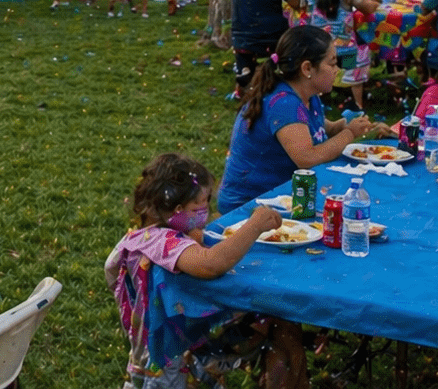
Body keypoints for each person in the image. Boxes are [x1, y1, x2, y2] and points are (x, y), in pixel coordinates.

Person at [105, 154, 302, 389]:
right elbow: (211, 264)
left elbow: (111, 269)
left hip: (160, 339)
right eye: (201, 204)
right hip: (163, 352)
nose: (207, 212)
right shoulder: (163, 243)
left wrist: (190, 235)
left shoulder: (145, 236)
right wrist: (255, 226)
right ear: (176, 209)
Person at [216, 26, 383, 215]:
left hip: (281, 198)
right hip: (248, 206)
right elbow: (307, 158)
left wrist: (355, 125)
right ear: (307, 68)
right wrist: (350, 133)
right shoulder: (284, 104)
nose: (337, 70)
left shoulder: (307, 96)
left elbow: (320, 128)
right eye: (332, 63)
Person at [300, 0, 379, 111]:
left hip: (317, 49)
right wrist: (376, 2)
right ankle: (358, 104)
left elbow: (305, 15)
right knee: (362, 48)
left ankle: (313, 101)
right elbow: (368, 8)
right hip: (345, 52)